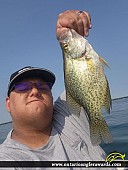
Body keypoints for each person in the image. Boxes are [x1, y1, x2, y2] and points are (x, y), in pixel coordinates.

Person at [0, 10, 117, 170]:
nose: (34, 91)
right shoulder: (7, 160)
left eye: (43, 86)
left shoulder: (67, 114)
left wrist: (70, 23)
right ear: (8, 104)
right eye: (22, 87)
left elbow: (89, 82)